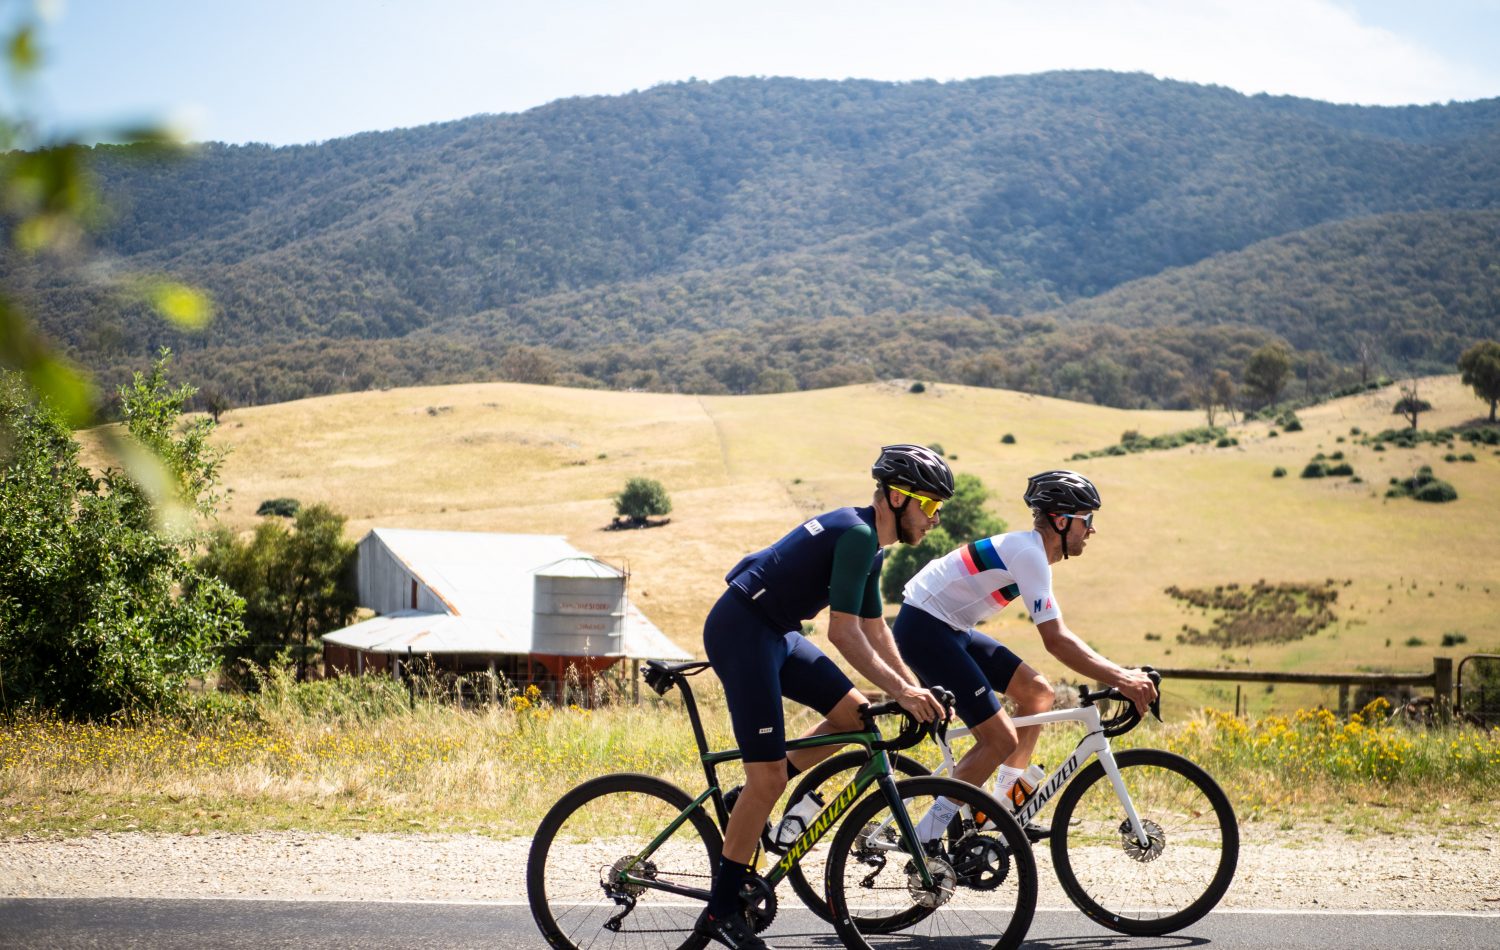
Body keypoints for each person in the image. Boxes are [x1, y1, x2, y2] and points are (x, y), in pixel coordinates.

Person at [695, 444, 953, 949]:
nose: (935, 519)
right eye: (930, 506)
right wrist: (900, 691)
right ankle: (720, 911)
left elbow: (876, 627)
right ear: (899, 498)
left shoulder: (871, 544)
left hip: (777, 633)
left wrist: (910, 685)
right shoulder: (857, 535)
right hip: (742, 631)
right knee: (765, 778)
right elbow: (844, 633)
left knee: (854, 715)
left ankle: (742, 800)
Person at [891, 469, 1157, 842]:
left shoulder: (1031, 554)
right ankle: (925, 836)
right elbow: (1057, 641)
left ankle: (1002, 805)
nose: (1092, 530)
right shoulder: (1029, 554)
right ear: (1062, 521)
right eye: (1087, 520)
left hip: (948, 627)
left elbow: (1056, 639)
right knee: (999, 739)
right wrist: (1122, 677)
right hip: (925, 627)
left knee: (1037, 692)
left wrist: (1119, 673)